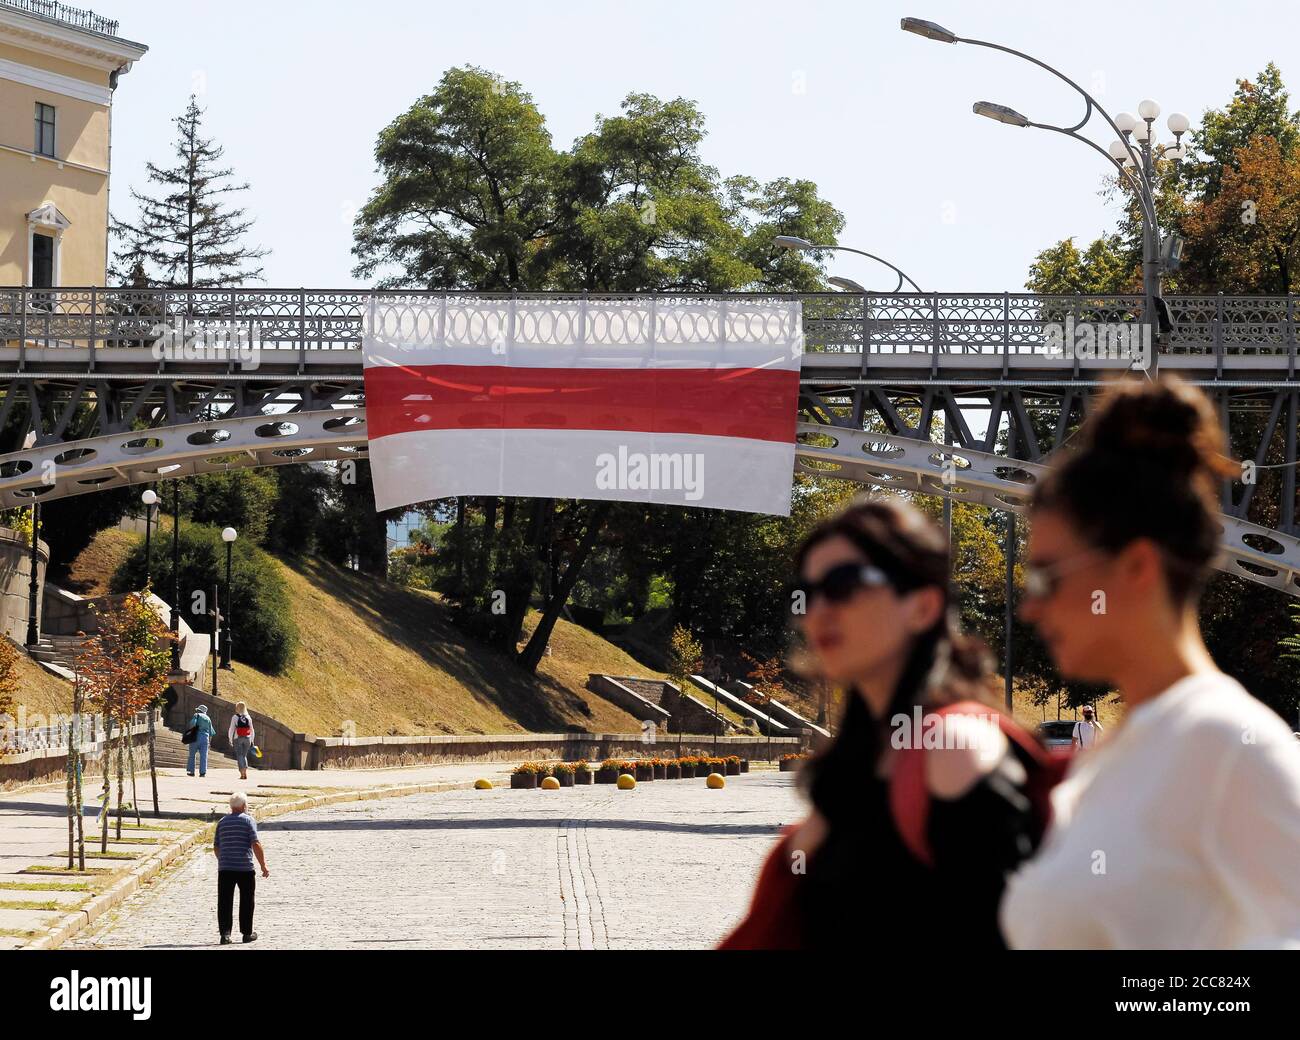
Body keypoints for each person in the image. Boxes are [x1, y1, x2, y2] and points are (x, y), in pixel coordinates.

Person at [1001, 377, 1300, 949]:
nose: (1030, 607)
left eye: (1046, 577)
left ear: (1137, 567)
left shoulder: (1228, 747)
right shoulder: (1123, 750)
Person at [721, 497, 1054, 950]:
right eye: (807, 593)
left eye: (845, 583)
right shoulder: (862, 754)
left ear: (922, 606)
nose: (817, 610)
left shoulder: (952, 748)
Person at [213, 791, 269, 945]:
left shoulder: (222, 822)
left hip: (225, 868)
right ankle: (247, 933)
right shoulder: (248, 820)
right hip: (245, 868)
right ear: (244, 806)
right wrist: (263, 865)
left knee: (224, 901)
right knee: (247, 900)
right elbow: (255, 843)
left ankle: (225, 935)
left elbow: (216, 846)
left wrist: (223, 860)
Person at [186, 705, 216, 778]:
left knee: (192, 755)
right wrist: (209, 742)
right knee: (204, 756)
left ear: (199, 710)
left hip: (195, 737)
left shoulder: (197, 715)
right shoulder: (208, 718)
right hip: (205, 738)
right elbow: (211, 732)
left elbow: (192, 724)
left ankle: (191, 771)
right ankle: (202, 772)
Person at [228, 702, 255, 781]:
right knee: (244, 755)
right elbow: (252, 730)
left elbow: (231, 729)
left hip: (238, 738)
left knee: (239, 755)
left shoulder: (235, 717)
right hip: (247, 738)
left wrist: (230, 739)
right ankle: (245, 771)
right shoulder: (248, 717)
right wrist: (252, 740)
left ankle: (242, 773)